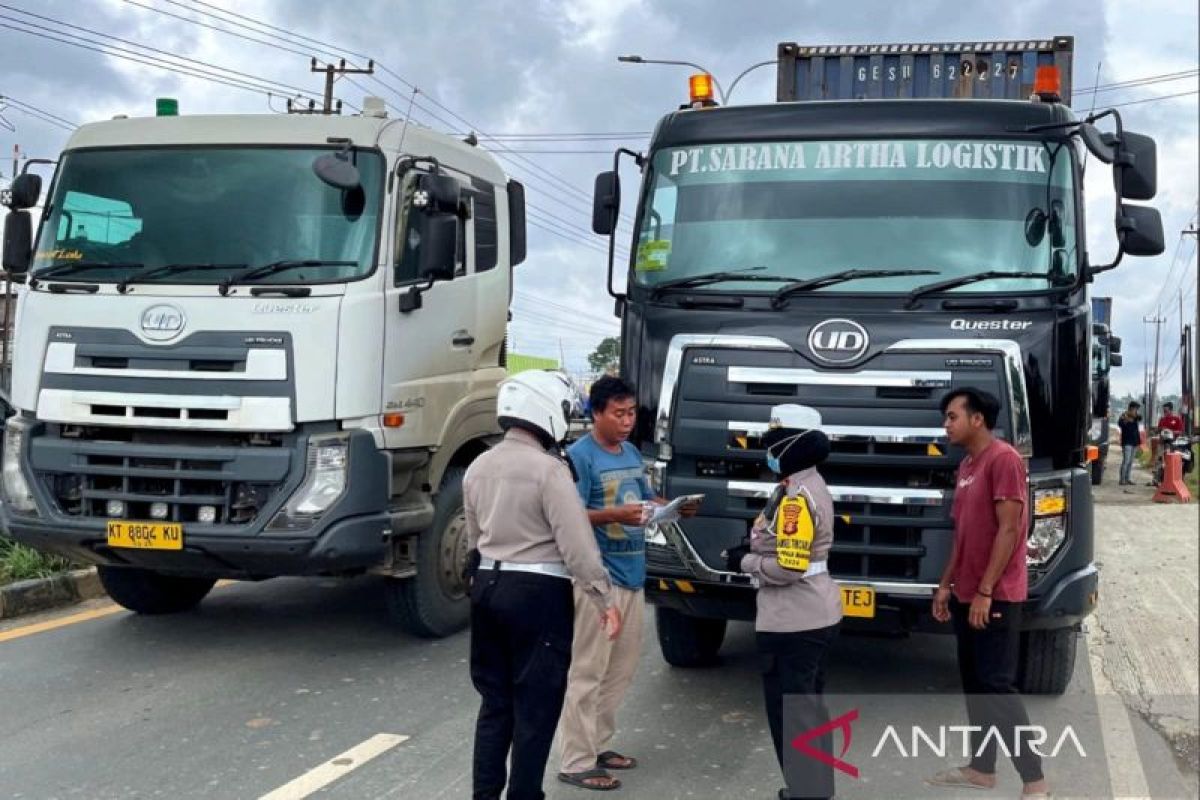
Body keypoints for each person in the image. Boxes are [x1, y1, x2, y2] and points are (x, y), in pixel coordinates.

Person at [465, 370, 622, 800]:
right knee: (536, 707)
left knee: (495, 704)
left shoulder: (478, 465)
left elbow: (473, 536)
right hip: (537, 593)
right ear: (546, 410)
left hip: (488, 586)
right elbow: (577, 545)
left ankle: (485, 795)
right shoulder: (549, 471)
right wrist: (603, 597)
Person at [557, 375, 696, 791]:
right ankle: (575, 759)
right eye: (618, 413)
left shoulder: (632, 452)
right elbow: (569, 516)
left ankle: (598, 746)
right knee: (587, 672)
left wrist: (672, 509)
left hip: (634, 575)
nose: (626, 421)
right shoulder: (578, 457)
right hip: (598, 582)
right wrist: (613, 515)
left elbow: (646, 499)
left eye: (631, 412)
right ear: (595, 413)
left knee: (620, 670)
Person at [927, 388, 1049, 800]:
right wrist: (946, 585)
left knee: (997, 685)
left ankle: (1035, 781)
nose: (946, 424)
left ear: (977, 419)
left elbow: (1010, 529)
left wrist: (984, 591)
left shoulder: (1004, 459)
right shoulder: (966, 466)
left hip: (995, 594)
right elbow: (963, 536)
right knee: (976, 682)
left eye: (952, 416)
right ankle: (982, 769)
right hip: (966, 591)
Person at [723, 404, 842, 800]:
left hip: (794, 618)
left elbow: (790, 567)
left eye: (773, 443)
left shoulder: (796, 497)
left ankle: (807, 792)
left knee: (792, 716)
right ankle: (815, 789)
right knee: (808, 710)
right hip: (813, 614)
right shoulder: (800, 487)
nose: (767, 450)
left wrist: (744, 561)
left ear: (794, 445)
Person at [1117, 401, 1142, 485]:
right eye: (1135, 408)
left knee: (1131, 461)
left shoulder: (1135, 416)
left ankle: (1128, 478)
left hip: (1134, 441)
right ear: (1131, 408)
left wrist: (1133, 416)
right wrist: (1126, 419)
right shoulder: (1124, 415)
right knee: (1126, 461)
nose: (1136, 410)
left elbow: (1140, 418)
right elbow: (1120, 424)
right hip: (1127, 441)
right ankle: (1122, 479)